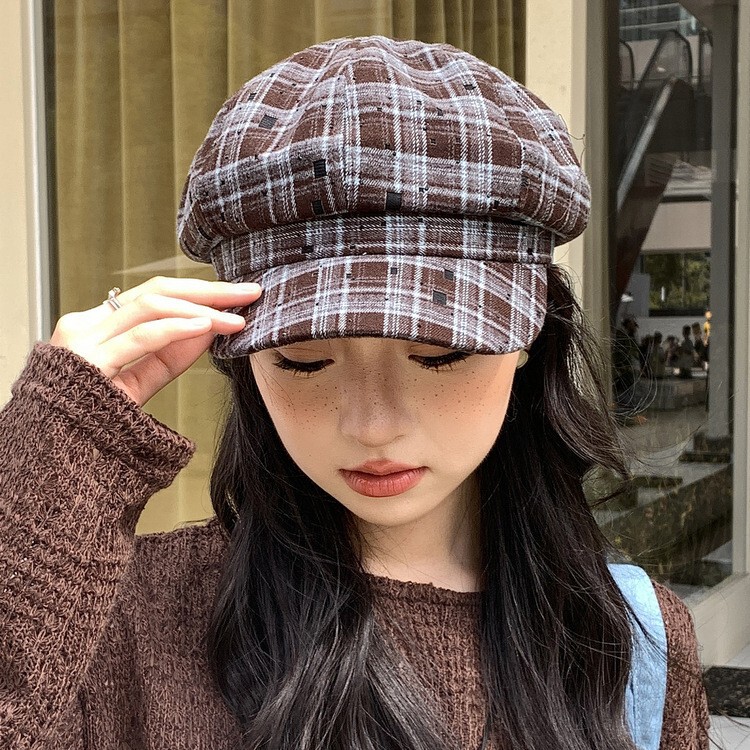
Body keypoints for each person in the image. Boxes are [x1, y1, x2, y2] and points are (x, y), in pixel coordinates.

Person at [0, 36, 708, 750]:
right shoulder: (117, 624)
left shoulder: (634, 649)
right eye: (304, 359)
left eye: (439, 352)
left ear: (529, 336)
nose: (373, 424)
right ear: (242, 356)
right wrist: (53, 457)